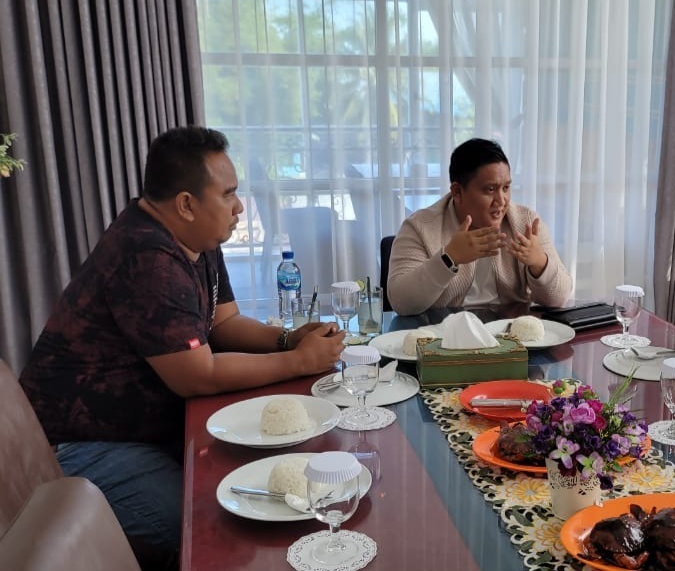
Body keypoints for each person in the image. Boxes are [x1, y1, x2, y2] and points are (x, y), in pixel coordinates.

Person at [19, 126, 346, 570]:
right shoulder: (146, 255)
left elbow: (223, 323)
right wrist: (297, 361)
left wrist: (288, 339)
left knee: (260, 471)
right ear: (187, 205)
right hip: (85, 446)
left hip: (145, 430)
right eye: (227, 194)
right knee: (217, 523)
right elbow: (198, 375)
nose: (239, 207)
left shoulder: (196, 238)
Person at [387, 138, 573, 315]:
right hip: (443, 333)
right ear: (457, 192)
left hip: (510, 331)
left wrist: (539, 263)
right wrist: (449, 258)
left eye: (506, 188)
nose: (501, 201)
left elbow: (560, 298)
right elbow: (401, 302)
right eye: (490, 189)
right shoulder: (419, 227)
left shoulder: (526, 222)